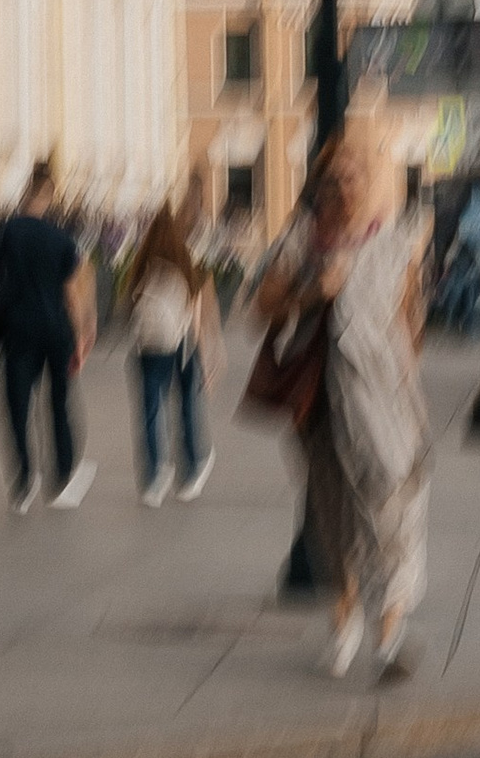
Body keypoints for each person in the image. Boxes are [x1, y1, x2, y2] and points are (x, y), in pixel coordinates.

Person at [256, 127, 430, 680]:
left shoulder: (395, 242)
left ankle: (388, 634)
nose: (346, 188)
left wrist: (405, 376)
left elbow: (408, 319)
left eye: (355, 177)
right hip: (322, 404)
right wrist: (314, 290)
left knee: (394, 505)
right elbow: (262, 308)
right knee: (333, 519)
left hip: (384, 403)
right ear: (319, 187)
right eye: (334, 180)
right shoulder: (301, 242)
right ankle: (345, 620)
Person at [0, 160, 96, 513]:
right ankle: (62, 475)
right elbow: (71, 293)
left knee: (17, 406)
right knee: (59, 403)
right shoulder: (61, 239)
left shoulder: (6, 231)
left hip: (18, 328)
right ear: (50, 196)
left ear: (26, 192)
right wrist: (83, 334)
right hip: (56, 331)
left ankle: (23, 479)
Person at [124, 198, 215, 508]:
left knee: (150, 411)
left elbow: (129, 307)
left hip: (148, 347)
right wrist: (206, 354)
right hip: (182, 344)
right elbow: (197, 312)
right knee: (185, 407)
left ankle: (153, 477)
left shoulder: (141, 264)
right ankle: (190, 470)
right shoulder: (186, 262)